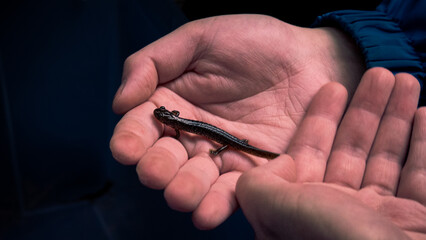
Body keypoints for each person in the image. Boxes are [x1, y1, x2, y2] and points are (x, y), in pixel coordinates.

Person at [109, 0, 425, 237]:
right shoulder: (175, 122)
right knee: (233, 146)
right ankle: (246, 151)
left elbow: (179, 130)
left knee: (232, 146)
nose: (165, 117)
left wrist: (213, 147)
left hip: (225, 141)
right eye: (165, 117)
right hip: (225, 137)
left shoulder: (174, 124)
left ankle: (236, 151)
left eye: (165, 116)